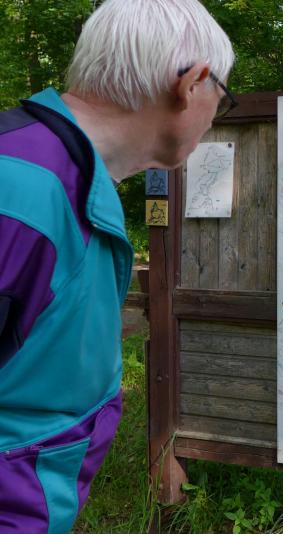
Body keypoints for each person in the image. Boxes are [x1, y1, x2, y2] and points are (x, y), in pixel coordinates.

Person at [0, 1, 235, 531]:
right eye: (222, 98)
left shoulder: (73, 184)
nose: (214, 116)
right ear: (192, 84)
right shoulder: (20, 192)